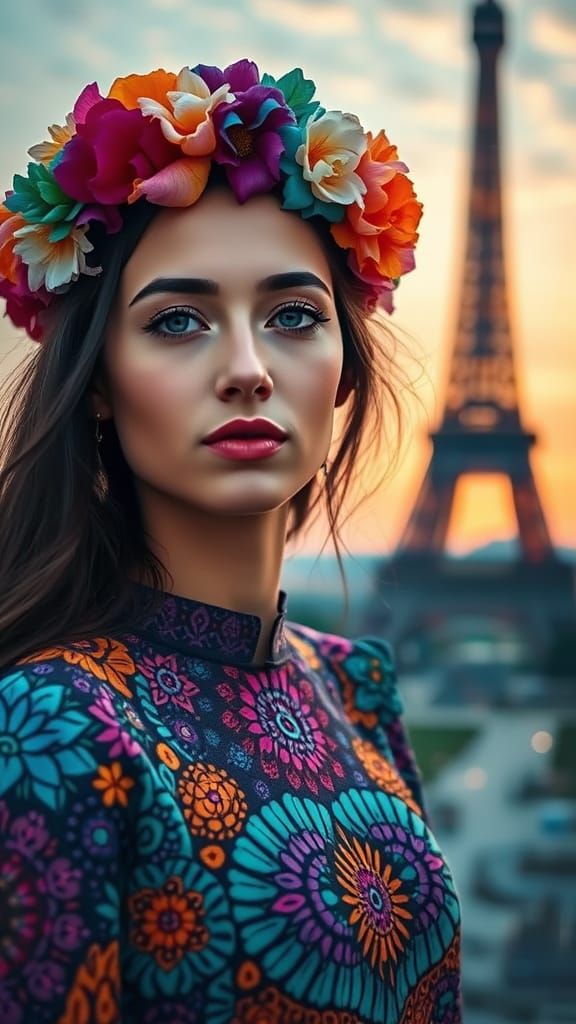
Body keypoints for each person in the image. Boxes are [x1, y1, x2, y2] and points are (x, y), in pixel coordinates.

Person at [0, 60, 462, 1023]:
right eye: (178, 321)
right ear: (96, 381)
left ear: (344, 368)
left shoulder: (356, 688)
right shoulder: (52, 725)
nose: (249, 369)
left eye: (295, 315)